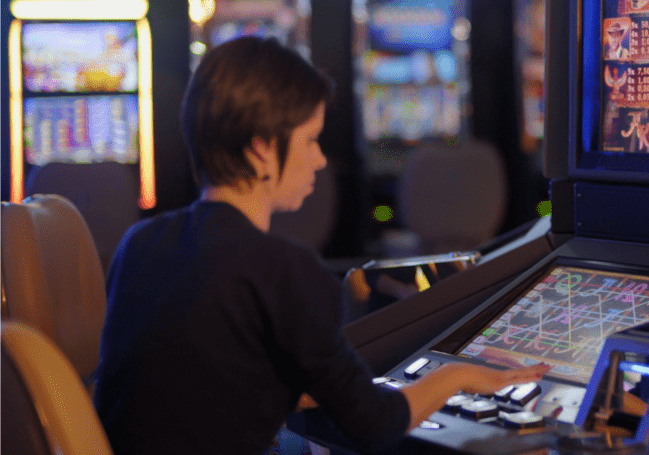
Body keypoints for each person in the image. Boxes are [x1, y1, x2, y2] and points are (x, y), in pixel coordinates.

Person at [93, 36, 549, 455]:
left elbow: (201, 385)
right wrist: (459, 375)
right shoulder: (284, 270)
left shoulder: (140, 243)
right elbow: (374, 424)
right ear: (262, 150)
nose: (320, 159)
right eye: (310, 140)